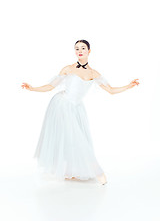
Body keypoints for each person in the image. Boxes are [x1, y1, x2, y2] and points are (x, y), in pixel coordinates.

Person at [21, 39, 139, 185]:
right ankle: (97, 171)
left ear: (89, 51)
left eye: (83, 48)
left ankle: (72, 170)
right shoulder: (68, 69)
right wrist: (32, 88)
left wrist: (128, 86)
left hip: (76, 108)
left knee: (76, 138)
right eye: (77, 48)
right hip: (61, 105)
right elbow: (51, 86)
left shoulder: (94, 73)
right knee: (72, 137)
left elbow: (111, 90)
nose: (79, 51)